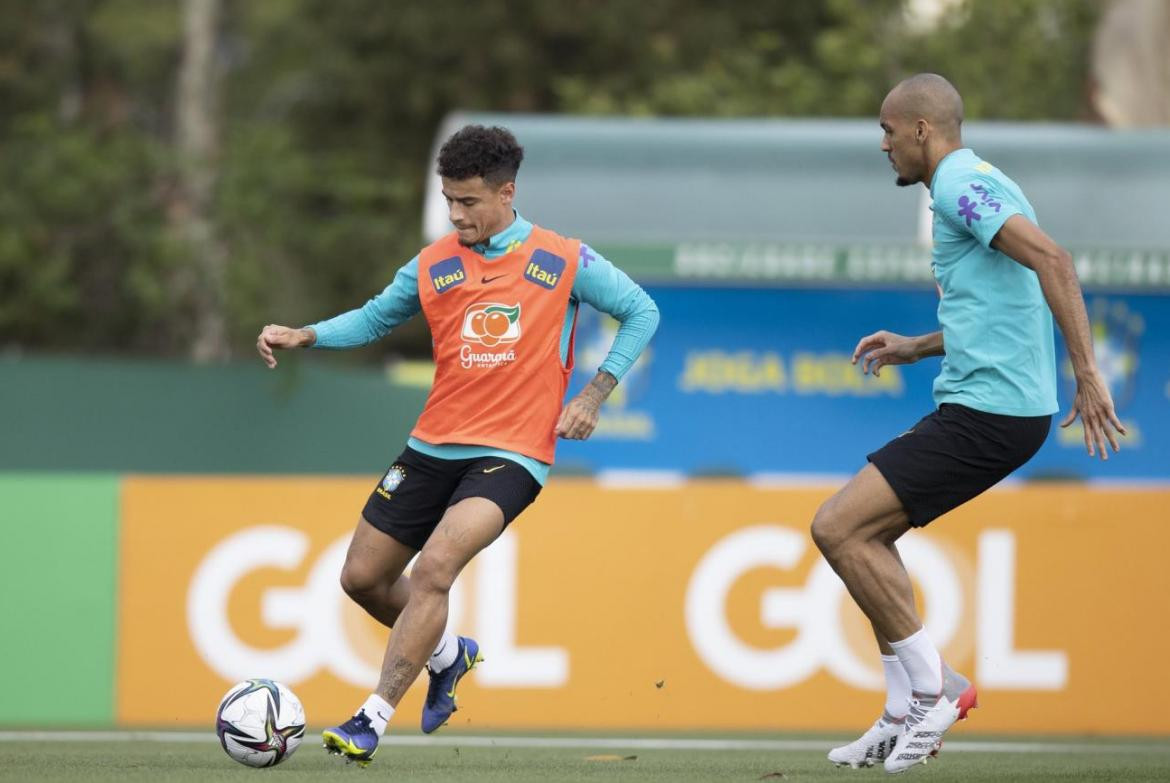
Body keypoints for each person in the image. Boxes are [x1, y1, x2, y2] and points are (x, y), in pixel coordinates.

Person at [256, 125, 659, 766]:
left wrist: (591, 395)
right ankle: (448, 655)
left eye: (469, 202)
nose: (456, 214)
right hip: (431, 445)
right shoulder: (434, 262)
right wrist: (307, 335)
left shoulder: (562, 258)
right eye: (449, 200)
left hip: (513, 454)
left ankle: (371, 718)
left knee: (436, 568)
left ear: (507, 192)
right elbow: (375, 317)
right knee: (361, 578)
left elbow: (641, 310)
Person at [812, 74, 1126, 774]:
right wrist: (915, 346)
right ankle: (900, 710)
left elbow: (1053, 260)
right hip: (990, 405)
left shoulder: (958, 184)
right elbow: (997, 305)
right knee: (867, 536)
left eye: (890, 131)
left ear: (924, 130)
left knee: (837, 526)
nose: (884, 145)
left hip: (992, 412)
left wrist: (1087, 371)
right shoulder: (973, 182)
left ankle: (935, 689)